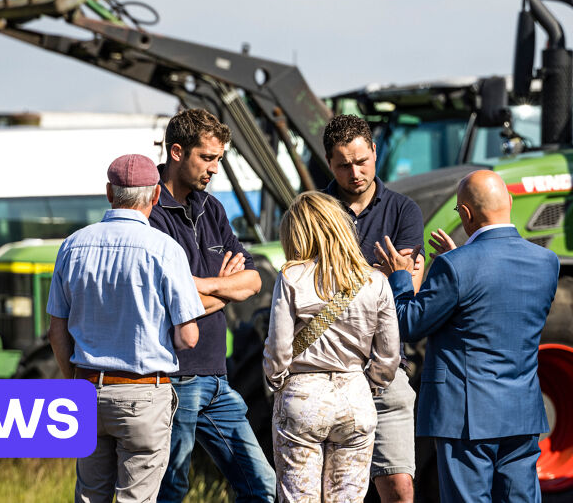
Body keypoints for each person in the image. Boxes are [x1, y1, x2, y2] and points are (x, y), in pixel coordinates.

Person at [375, 170, 558, 503]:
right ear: (510, 202)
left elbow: (409, 324)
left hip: (465, 416)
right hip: (521, 410)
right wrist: (460, 259)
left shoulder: (456, 267)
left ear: (468, 214)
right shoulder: (546, 262)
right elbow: (496, 303)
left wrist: (400, 277)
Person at [46, 153, 205, 503]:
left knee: (90, 495)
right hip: (144, 393)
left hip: (86, 388)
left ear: (109, 192)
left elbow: (56, 331)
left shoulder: (72, 245)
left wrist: (74, 378)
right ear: (156, 196)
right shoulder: (165, 249)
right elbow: (189, 336)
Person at [151, 108, 276, 503]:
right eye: (207, 158)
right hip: (173, 378)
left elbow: (253, 281)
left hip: (216, 378)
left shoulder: (212, 208)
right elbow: (163, 300)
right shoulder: (149, 211)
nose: (214, 169)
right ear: (176, 152)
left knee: (262, 487)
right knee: (169, 489)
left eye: (219, 159)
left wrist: (202, 287)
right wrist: (225, 290)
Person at [262, 191, 402, 502]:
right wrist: (371, 385)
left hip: (302, 393)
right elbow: (389, 354)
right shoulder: (376, 281)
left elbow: (279, 349)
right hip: (354, 393)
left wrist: (278, 380)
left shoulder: (291, 276)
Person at [320, 114, 423, 503]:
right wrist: (379, 277)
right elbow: (307, 288)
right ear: (329, 163)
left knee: (398, 486)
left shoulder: (403, 211)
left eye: (362, 161)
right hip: (328, 371)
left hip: (384, 368)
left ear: (374, 152)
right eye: (344, 164)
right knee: (333, 490)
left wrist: (346, 278)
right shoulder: (315, 210)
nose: (355, 172)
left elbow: (406, 284)